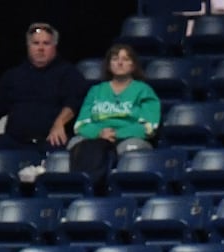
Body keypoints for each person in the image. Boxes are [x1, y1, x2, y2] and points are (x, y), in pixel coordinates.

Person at [0, 23, 86, 168]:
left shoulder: (69, 73)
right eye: (36, 43)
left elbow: (74, 102)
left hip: (52, 141)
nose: (40, 48)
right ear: (28, 46)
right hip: (15, 141)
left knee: (63, 158)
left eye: (46, 43)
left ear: (54, 46)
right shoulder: (13, 75)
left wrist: (59, 124)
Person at [68, 43, 159, 177]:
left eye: (126, 59)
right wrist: (99, 133)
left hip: (127, 139)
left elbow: (149, 126)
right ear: (109, 65)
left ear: (133, 65)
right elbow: (80, 125)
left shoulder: (144, 90)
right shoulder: (95, 91)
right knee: (75, 143)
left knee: (127, 150)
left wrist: (116, 133)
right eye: (115, 59)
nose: (120, 63)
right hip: (97, 138)